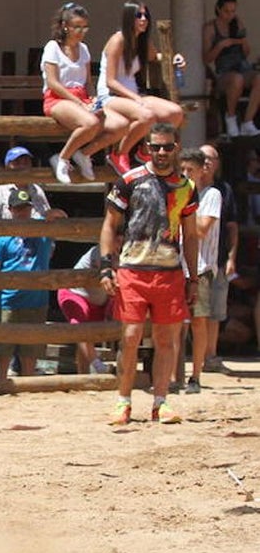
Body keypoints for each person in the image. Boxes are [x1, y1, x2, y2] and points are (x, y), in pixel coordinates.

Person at [99, 123, 198, 425]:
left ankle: (161, 401)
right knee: (130, 337)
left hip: (169, 271)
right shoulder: (129, 180)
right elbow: (109, 225)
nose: (162, 152)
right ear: (147, 149)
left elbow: (191, 236)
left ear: (176, 147)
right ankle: (123, 401)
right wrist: (106, 266)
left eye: (167, 146)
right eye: (156, 147)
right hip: (133, 269)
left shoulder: (186, 187)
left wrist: (193, 278)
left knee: (166, 340)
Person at [41, 2, 130, 184]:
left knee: (121, 124)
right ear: (65, 26)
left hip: (82, 98)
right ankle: (63, 158)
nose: (81, 32)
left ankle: (84, 154)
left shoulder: (84, 49)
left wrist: (93, 100)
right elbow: (53, 83)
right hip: (58, 99)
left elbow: (88, 82)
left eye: (84, 27)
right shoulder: (53, 47)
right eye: (76, 27)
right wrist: (80, 103)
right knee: (90, 123)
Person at [96, 1, 185, 173]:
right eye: (138, 16)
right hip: (111, 96)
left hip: (134, 96)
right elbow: (111, 82)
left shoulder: (141, 41)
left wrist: (174, 58)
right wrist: (137, 99)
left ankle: (144, 152)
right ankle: (119, 153)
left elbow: (155, 56)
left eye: (146, 16)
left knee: (176, 113)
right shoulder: (117, 40)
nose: (143, 19)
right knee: (147, 116)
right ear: (129, 18)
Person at [0, 188, 55, 379]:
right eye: (18, 209)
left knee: (31, 349)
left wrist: (50, 214)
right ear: (10, 210)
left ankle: (28, 383)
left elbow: (60, 216)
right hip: (7, 300)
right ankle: (1, 381)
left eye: (26, 208)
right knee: (2, 347)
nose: (22, 213)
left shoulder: (42, 231)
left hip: (36, 300)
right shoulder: (2, 236)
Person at [181, 147, 221, 395]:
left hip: (201, 266)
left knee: (198, 322)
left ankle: (195, 375)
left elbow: (202, 229)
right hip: (176, 264)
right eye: (182, 170)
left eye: (190, 170)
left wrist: (181, 207)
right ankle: (174, 375)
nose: (186, 174)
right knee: (174, 324)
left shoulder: (211, 194)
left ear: (201, 171)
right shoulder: (177, 193)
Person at [200, 143, 238, 373]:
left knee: (215, 312)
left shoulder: (224, 190)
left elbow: (233, 226)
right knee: (195, 314)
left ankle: (210, 357)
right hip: (191, 260)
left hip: (219, 258)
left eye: (211, 158)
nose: (206, 162)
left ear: (217, 163)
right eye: (202, 158)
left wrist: (232, 257)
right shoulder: (188, 187)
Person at [202, 0, 260, 137]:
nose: (230, 15)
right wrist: (221, 45)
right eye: (226, 11)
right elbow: (207, 58)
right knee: (237, 80)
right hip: (224, 72)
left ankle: (248, 121)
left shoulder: (237, 23)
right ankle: (231, 117)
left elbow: (246, 53)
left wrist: (242, 41)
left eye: (233, 11)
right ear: (218, 9)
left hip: (241, 66)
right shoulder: (210, 28)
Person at [0, 146, 67, 221]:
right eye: (16, 162)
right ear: (7, 166)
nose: (22, 166)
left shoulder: (36, 190)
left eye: (26, 162)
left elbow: (45, 216)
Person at [56, 246, 110, 374]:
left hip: (98, 299)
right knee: (80, 328)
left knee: (88, 336)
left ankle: (83, 375)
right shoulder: (98, 252)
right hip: (75, 293)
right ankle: (97, 366)